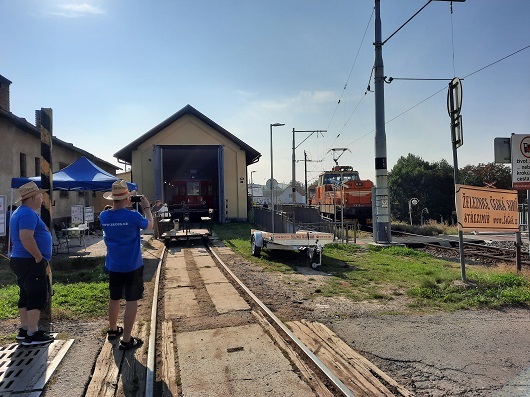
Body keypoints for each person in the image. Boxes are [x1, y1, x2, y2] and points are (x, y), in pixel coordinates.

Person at [99, 180, 153, 350]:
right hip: (132, 265)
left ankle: (113, 330)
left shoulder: (104, 216)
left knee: (114, 297)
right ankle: (127, 339)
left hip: (114, 265)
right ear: (127, 198)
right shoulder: (133, 216)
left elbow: (116, 217)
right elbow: (149, 225)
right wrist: (147, 208)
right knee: (131, 300)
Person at [9, 182, 53, 345]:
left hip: (21, 260)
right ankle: (32, 333)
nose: (42, 199)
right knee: (36, 294)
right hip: (29, 260)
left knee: (25, 294)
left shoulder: (20, 212)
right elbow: (26, 237)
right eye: (40, 196)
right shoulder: (27, 214)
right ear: (33, 197)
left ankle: (25, 328)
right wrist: (38, 257)